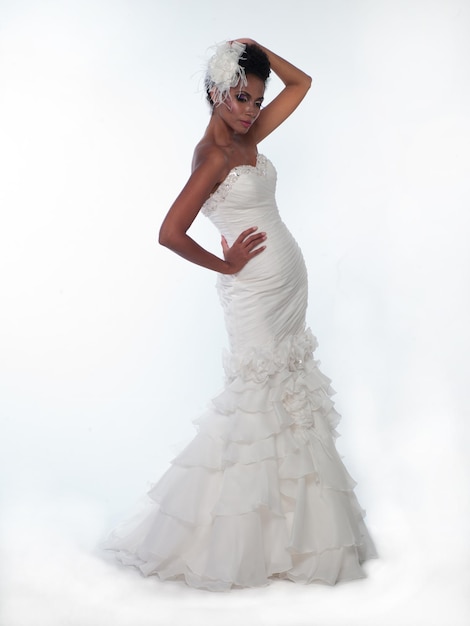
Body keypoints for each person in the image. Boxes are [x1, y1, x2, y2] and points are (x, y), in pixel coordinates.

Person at [104, 39, 377, 591]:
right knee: (255, 404)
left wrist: (258, 48)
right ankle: (223, 542)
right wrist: (225, 266)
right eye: (241, 98)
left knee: (289, 402)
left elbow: (301, 85)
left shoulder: (249, 137)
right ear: (215, 94)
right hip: (253, 292)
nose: (251, 110)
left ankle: (288, 537)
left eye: (256, 100)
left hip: (285, 294)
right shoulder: (215, 157)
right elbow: (169, 233)